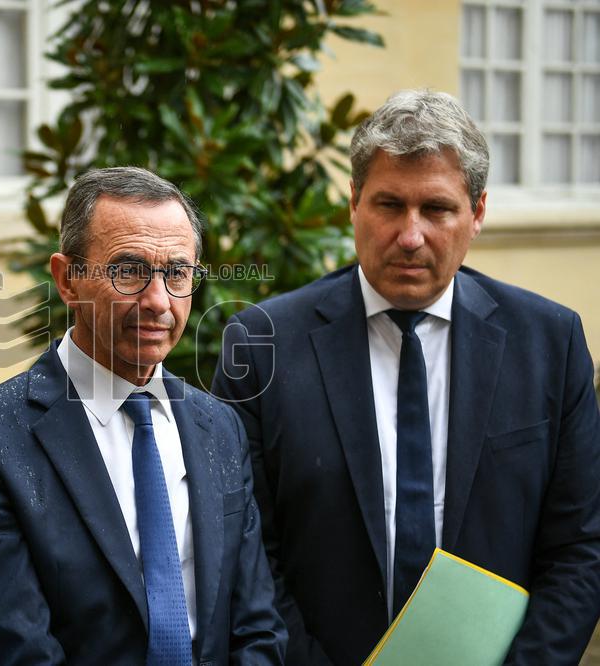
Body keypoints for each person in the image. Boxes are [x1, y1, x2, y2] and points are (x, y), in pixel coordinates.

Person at [212, 89, 600, 665]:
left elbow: (579, 549)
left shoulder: (550, 342)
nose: (410, 235)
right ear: (352, 203)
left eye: (437, 209)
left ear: (479, 213)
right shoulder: (261, 345)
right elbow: (243, 553)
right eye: (389, 205)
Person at [0, 167, 287, 664]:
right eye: (128, 271)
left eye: (177, 274)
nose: (158, 302)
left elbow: (257, 628)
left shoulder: (219, 427)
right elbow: (18, 652)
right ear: (68, 281)